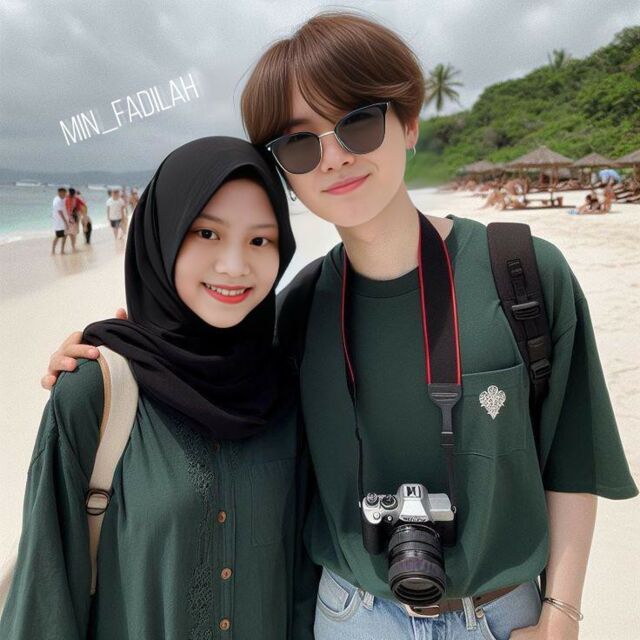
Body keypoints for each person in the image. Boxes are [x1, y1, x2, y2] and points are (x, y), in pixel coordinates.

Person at [40, 11, 638, 640]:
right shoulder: (295, 311)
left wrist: (562, 613)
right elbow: (207, 381)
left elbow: (573, 459)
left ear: (409, 124)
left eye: (358, 122)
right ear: (284, 172)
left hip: (502, 615)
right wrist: (114, 355)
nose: (333, 157)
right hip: (349, 614)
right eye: (301, 144)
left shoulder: (521, 275)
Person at [1, 137, 317, 639]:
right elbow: (46, 595)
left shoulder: (284, 390)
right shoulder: (94, 390)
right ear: (162, 235)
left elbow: (302, 584)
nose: (235, 265)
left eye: (261, 240)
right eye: (207, 232)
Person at [51, 186, 69, 254]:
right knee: (58, 236)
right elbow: (60, 212)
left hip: (61, 222)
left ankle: (62, 250)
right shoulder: (57, 201)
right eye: (64, 193)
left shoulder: (60, 198)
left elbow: (67, 197)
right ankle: (53, 250)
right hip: (59, 223)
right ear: (59, 193)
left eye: (65, 193)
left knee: (65, 235)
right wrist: (66, 222)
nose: (65, 194)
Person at [64, 187, 81, 251]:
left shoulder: (67, 198)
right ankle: (73, 247)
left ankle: (67, 248)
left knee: (69, 234)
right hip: (73, 218)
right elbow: (77, 209)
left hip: (68, 218)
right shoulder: (74, 199)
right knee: (73, 234)